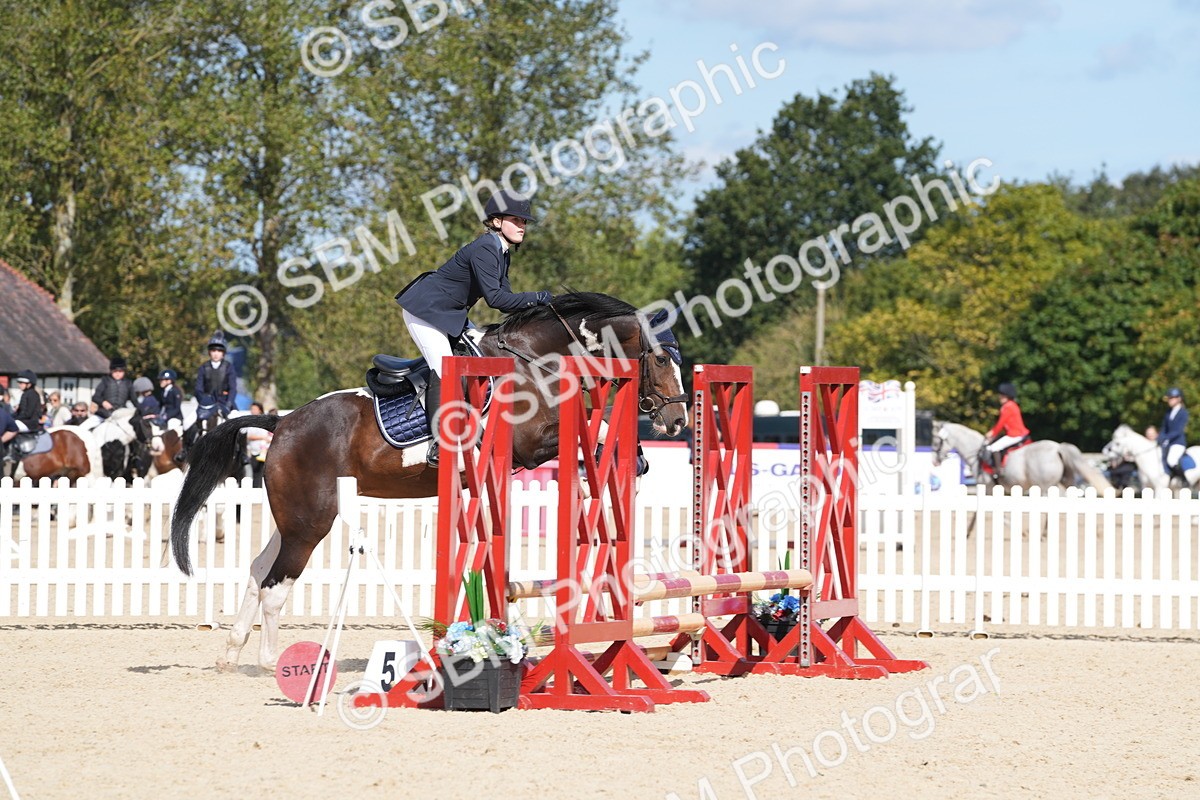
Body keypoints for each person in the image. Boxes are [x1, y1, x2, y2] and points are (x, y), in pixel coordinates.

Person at [394, 189, 553, 466]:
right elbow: (495, 299)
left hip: (452, 315)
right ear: (496, 221)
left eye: (524, 222)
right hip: (426, 312)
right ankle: (439, 442)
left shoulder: (502, 252)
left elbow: (506, 303)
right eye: (516, 220)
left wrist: (539, 306)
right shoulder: (485, 248)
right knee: (444, 368)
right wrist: (538, 297)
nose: (522, 226)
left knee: (486, 353)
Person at [983, 382, 1030, 477]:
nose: (1000, 397)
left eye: (1002, 395)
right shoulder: (1012, 405)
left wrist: (992, 433)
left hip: (1015, 434)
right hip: (1016, 433)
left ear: (1007, 396)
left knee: (994, 448)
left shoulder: (1008, 407)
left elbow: (1001, 423)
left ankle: (998, 471)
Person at [81, 357, 134, 431]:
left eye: (120, 371)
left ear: (124, 372)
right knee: (83, 427)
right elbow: (95, 397)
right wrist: (103, 402)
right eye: (115, 371)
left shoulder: (128, 383)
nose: (118, 374)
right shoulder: (105, 381)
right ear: (111, 371)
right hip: (103, 414)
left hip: (120, 415)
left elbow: (134, 400)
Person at [194, 332, 237, 419]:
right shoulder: (203, 367)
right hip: (207, 404)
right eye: (213, 350)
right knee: (187, 423)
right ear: (209, 352)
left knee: (239, 424)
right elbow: (198, 389)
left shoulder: (229, 367)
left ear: (223, 353)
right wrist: (203, 401)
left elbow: (233, 388)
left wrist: (229, 403)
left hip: (225, 402)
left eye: (219, 351)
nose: (216, 353)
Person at [1160, 387, 1189, 479]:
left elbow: (1178, 431)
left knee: (1171, 460)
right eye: (1169, 398)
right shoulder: (1168, 413)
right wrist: (1160, 437)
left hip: (1178, 442)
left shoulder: (1183, 413)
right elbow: (1164, 428)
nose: (1169, 400)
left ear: (1179, 399)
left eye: (1171, 398)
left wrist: (1166, 438)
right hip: (1167, 441)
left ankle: (1184, 479)